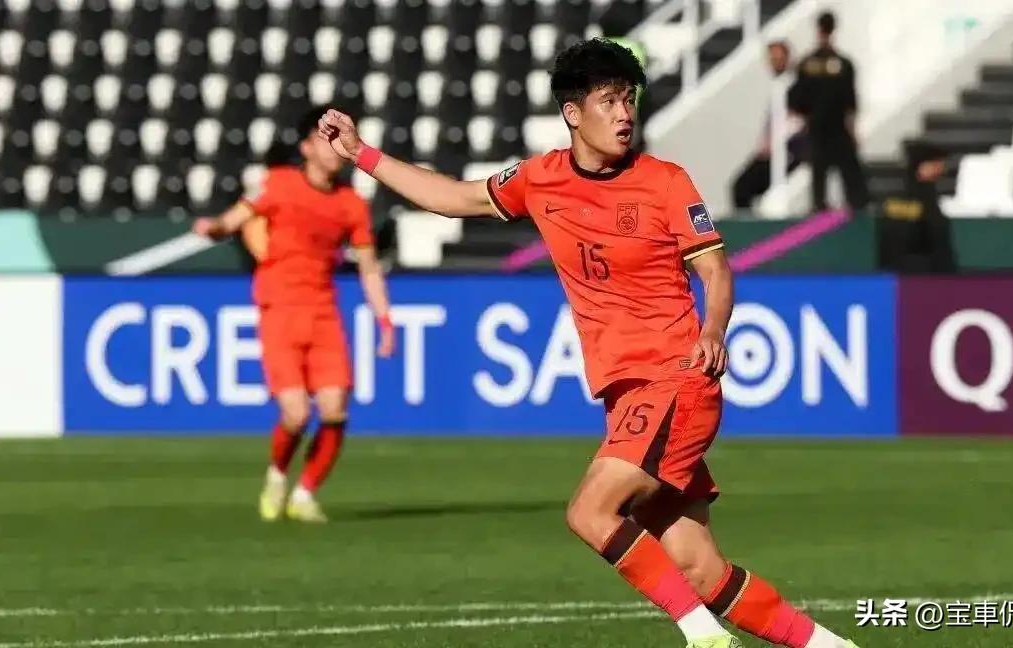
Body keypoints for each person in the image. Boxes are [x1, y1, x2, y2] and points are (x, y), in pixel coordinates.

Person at [318, 40, 858, 648]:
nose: (625, 113)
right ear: (573, 113)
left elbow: (715, 271)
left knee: (590, 512)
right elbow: (453, 197)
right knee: (700, 571)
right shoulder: (539, 179)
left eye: (629, 99)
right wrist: (361, 154)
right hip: (629, 396)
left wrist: (712, 330)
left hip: (675, 379)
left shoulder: (665, 181)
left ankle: (704, 638)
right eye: (609, 101)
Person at [192, 106, 395, 524]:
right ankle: (277, 475)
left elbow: (369, 267)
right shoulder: (279, 184)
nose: (335, 148)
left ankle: (305, 494)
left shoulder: (351, 205)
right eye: (326, 139)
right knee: (297, 414)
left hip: (323, 312)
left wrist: (384, 321)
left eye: (339, 139)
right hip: (280, 310)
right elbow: (236, 217)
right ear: (306, 147)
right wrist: (214, 228)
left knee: (335, 408)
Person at [789, 12, 869, 213]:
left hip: (822, 128)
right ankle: (847, 208)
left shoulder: (809, 64)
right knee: (835, 174)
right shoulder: (840, 64)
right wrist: (853, 130)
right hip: (831, 128)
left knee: (828, 173)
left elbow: (798, 102)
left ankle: (828, 208)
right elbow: (850, 103)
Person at [732, 41, 807, 209]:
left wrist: (775, 142)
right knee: (740, 187)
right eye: (772, 59)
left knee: (744, 188)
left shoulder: (798, 86)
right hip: (772, 150)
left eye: (779, 59)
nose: (775, 63)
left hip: (790, 151)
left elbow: (798, 122)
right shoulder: (778, 86)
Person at [878, 140, 956, 272]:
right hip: (913, 270)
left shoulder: (928, 192)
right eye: (936, 163)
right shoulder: (906, 196)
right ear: (922, 166)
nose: (942, 168)